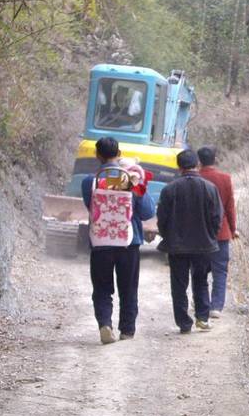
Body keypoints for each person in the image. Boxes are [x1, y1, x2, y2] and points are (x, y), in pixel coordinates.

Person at [81, 137, 156, 344]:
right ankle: (127, 330)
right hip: (128, 241)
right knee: (128, 288)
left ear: (97, 155)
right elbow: (148, 212)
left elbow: (91, 207)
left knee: (102, 288)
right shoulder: (131, 178)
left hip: (100, 241)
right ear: (119, 154)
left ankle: (105, 323)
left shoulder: (90, 181)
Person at [157, 149, 223, 333]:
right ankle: (202, 318)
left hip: (176, 246)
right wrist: (211, 235)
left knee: (178, 284)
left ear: (179, 167)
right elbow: (217, 217)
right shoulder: (210, 188)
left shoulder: (169, 189)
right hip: (204, 244)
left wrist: (167, 235)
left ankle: (184, 323)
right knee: (201, 280)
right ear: (197, 165)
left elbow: (162, 218)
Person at [197, 146, 237, 318]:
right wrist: (233, 229)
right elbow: (230, 207)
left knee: (199, 271)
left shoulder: (195, 178)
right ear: (215, 159)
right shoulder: (225, 179)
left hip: (198, 234)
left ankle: (202, 304)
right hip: (221, 233)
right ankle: (216, 307)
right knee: (220, 271)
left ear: (199, 161)